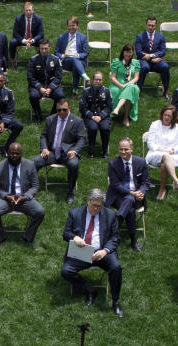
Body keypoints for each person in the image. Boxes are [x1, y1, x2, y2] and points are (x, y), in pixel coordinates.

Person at [61, 188, 124, 317]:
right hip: (82, 251)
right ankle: (90, 289)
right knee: (66, 271)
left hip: (102, 252)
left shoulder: (111, 215)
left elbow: (115, 237)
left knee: (116, 268)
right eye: (94, 205)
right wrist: (74, 237)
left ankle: (116, 301)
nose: (96, 209)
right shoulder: (75, 213)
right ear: (88, 201)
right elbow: (66, 233)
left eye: (99, 207)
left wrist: (105, 251)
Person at [0, 142, 45, 248]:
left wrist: (24, 197)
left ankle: (28, 237)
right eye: (12, 153)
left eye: (17, 154)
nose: (14, 156)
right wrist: (6, 196)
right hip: (6, 198)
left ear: (21, 153)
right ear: (7, 153)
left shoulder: (30, 165)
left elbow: (35, 186)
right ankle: (0, 238)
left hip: (23, 197)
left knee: (40, 212)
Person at [35, 98, 85, 205]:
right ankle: (31, 187)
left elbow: (81, 139)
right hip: (52, 152)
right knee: (33, 162)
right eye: (59, 110)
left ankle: (70, 192)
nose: (61, 112)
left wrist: (75, 151)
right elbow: (43, 135)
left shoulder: (77, 121)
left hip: (68, 153)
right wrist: (44, 148)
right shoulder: (50, 120)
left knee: (74, 164)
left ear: (69, 108)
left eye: (64, 109)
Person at [106, 137, 151, 252]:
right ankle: (133, 240)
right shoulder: (113, 164)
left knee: (130, 204)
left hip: (136, 197)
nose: (123, 152)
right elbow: (115, 185)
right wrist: (132, 193)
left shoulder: (141, 162)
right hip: (118, 196)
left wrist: (141, 192)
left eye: (126, 149)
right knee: (130, 204)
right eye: (121, 149)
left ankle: (116, 224)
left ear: (132, 149)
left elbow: (146, 182)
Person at [144, 104, 178, 200]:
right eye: (165, 114)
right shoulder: (155, 124)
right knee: (165, 156)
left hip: (171, 154)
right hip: (155, 153)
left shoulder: (177, 128)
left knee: (164, 165)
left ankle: (162, 189)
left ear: (173, 117)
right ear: (162, 114)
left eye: (169, 116)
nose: (166, 117)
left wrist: (173, 150)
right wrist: (161, 150)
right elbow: (150, 143)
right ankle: (176, 180)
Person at [26, 39, 63, 124]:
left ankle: (52, 116)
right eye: (42, 48)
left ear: (50, 48)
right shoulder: (33, 60)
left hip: (52, 85)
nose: (44, 50)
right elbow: (30, 77)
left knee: (60, 96)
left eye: (46, 48)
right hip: (38, 85)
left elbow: (59, 77)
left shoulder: (56, 60)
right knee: (33, 96)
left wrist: (50, 88)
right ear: (39, 48)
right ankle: (38, 116)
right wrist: (40, 88)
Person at [79, 72, 113, 158]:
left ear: (102, 80)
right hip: (90, 117)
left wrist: (101, 116)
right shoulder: (86, 91)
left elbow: (109, 107)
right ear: (93, 80)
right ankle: (91, 151)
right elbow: (82, 107)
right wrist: (92, 116)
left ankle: (105, 151)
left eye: (100, 79)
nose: (98, 81)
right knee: (93, 128)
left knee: (105, 128)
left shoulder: (107, 91)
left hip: (103, 117)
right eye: (96, 79)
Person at [135, 17, 170, 98]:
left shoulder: (161, 37)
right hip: (143, 61)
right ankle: (138, 91)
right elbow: (138, 52)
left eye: (152, 25)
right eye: (149, 25)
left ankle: (166, 91)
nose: (150, 27)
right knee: (144, 68)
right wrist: (150, 58)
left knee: (165, 67)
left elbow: (163, 51)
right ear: (146, 25)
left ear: (156, 26)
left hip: (156, 61)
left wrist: (152, 56)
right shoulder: (140, 37)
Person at [109, 44, 141, 127]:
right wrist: (121, 85)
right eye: (126, 52)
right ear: (123, 52)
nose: (128, 54)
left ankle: (118, 110)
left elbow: (136, 77)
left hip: (131, 84)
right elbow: (113, 77)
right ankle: (125, 117)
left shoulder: (135, 63)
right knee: (124, 91)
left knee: (131, 88)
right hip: (117, 84)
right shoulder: (116, 61)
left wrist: (127, 84)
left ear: (132, 53)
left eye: (130, 52)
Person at [55, 17, 89, 95]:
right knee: (73, 60)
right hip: (65, 62)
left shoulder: (83, 37)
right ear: (67, 26)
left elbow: (85, 53)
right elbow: (56, 52)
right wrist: (63, 55)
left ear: (77, 26)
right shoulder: (62, 37)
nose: (71, 27)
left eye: (73, 25)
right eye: (69, 25)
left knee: (75, 63)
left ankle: (75, 90)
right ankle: (83, 75)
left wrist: (78, 55)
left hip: (79, 61)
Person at [10, 2, 44, 68]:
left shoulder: (38, 19)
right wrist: (25, 41)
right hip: (22, 39)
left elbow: (41, 33)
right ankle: (13, 61)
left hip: (34, 40)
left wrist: (32, 40)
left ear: (33, 10)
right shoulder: (18, 18)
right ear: (23, 10)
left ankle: (40, 61)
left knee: (42, 42)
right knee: (12, 42)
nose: (28, 12)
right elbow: (15, 33)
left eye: (29, 10)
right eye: (26, 10)